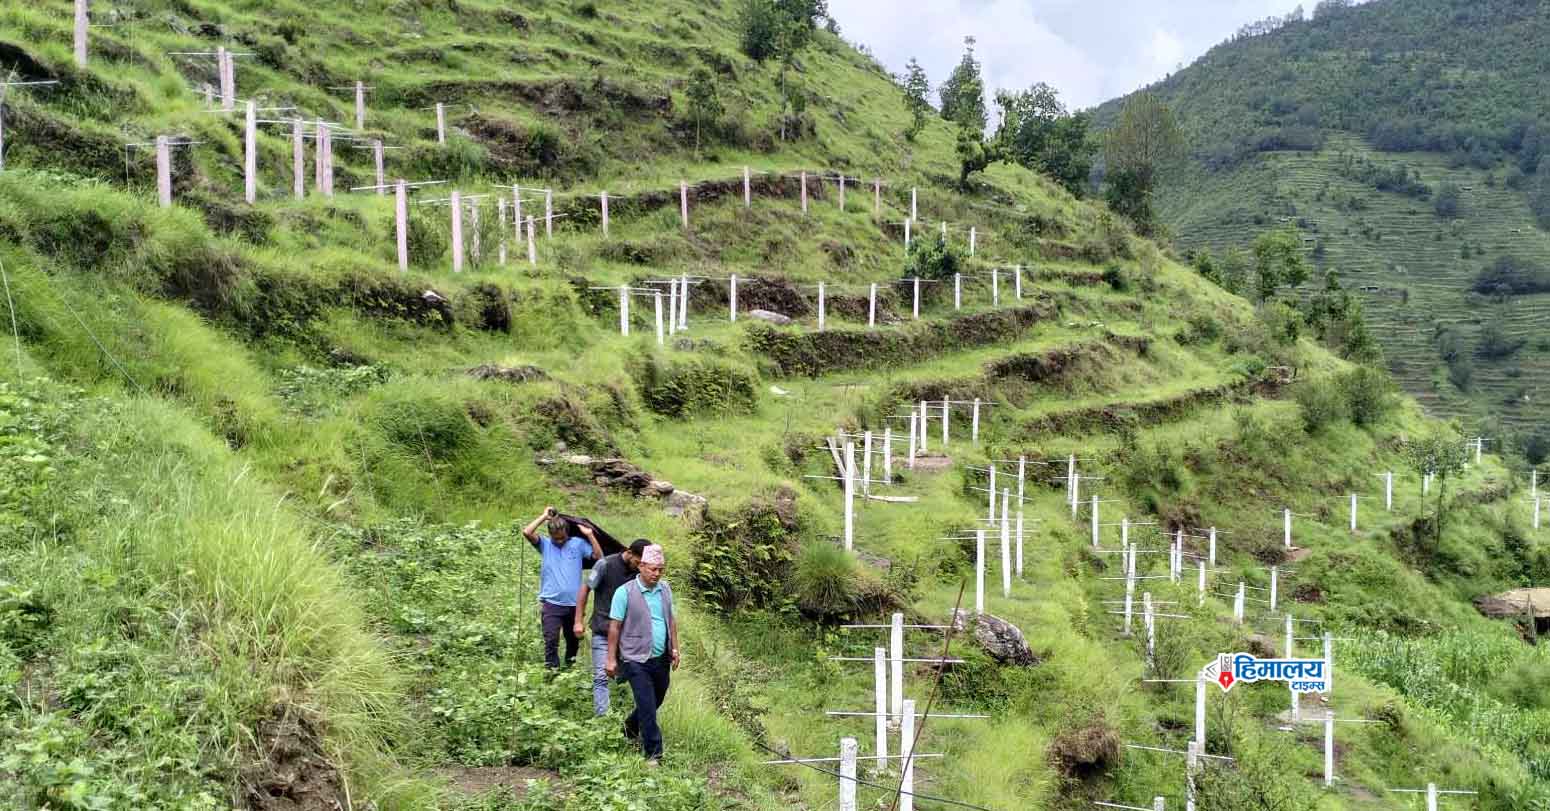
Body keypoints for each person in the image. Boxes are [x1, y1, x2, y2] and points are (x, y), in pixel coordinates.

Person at [605, 544, 679, 764]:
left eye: (660, 570)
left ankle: (629, 727)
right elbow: (614, 627)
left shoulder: (665, 589)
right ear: (641, 566)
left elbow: (671, 620)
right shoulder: (625, 592)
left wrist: (675, 648)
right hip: (635, 658)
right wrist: (610, 658)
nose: (657, 574)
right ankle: (653, 754)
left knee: (656, 699)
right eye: (652, 569)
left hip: (660, 658)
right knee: (647, 705)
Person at [522, 506, 603, 669]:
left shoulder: (578, 544)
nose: (559, 541)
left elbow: (598, 557)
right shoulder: (545, 544)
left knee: (572, 640)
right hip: (551, 603)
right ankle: (552, 672)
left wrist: (590, 535)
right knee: (551, 639)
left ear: (568, 533)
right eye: (555, 538)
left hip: (574, 605)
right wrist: (544, 516)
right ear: (550, 535)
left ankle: (569, 668)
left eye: (562, 538)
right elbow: (527, 532)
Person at [575, 538, 648, 716]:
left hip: (628, 634)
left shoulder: (640, 573)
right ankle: (603, 721)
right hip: (602, 630)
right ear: (630, 553)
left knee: (627, 676)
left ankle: (629, 712)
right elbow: (585, 589)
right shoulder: (604, 565)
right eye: (638, 562)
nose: (640, 567)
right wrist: (578, 620)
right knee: (601, 677)